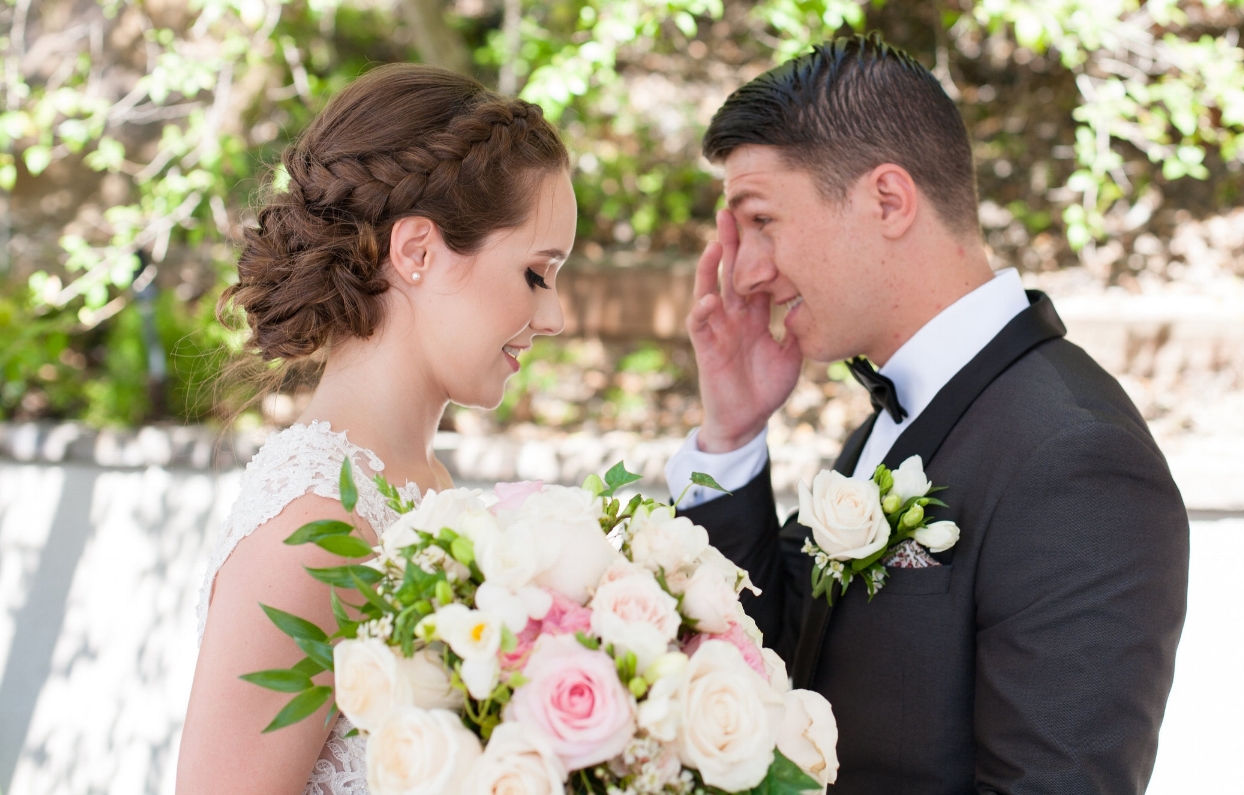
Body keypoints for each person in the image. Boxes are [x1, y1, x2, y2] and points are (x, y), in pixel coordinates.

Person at [663, 35, 1190, 794]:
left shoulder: (1076, 459)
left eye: (762, 221)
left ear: (887, 199)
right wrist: (733, 435)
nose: (745, 272)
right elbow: (769, 656)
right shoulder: (890, 421)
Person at [178, 63, 573, 794]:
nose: (554, 316)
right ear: (417, 251)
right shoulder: (311, 527)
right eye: (536, 273)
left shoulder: (422, 486)